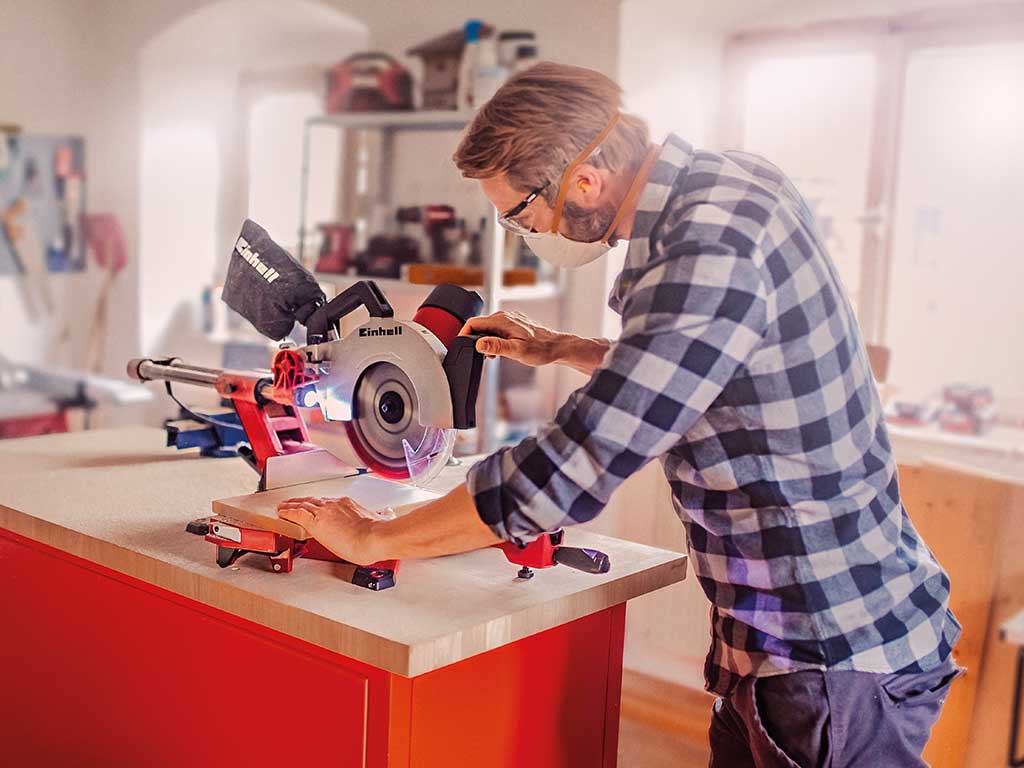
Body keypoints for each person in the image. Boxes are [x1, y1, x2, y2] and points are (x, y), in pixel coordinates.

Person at [277, 62, 961, 767]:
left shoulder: (702, 251)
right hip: (821, 631)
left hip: (827, 655)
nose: (524, 232)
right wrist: (564, 347)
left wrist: (375, 535)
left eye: (521, 214)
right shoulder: (734, 183)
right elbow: (720, 362)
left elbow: (572, 468)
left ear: (584, 182)